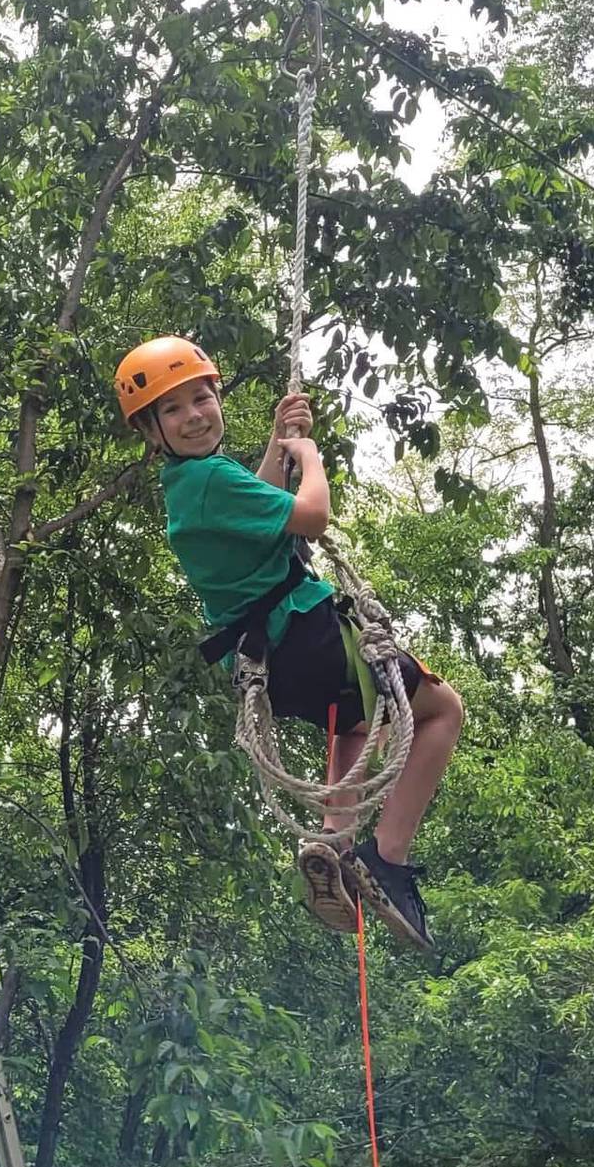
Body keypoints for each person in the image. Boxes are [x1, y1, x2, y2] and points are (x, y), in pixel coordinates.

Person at [113, 335, 464, 950]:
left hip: (273, 661)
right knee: (443, 711)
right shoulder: (210, 478)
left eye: (202, 397)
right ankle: (390, 858)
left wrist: (278, 444)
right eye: (174, 409)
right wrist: (309, 454)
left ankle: (334, 840)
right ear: (151, 430)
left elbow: (264, 511)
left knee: (354, 727)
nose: (195, 415)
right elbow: (310, 517)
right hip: (307, 634)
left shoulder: (194, 485)